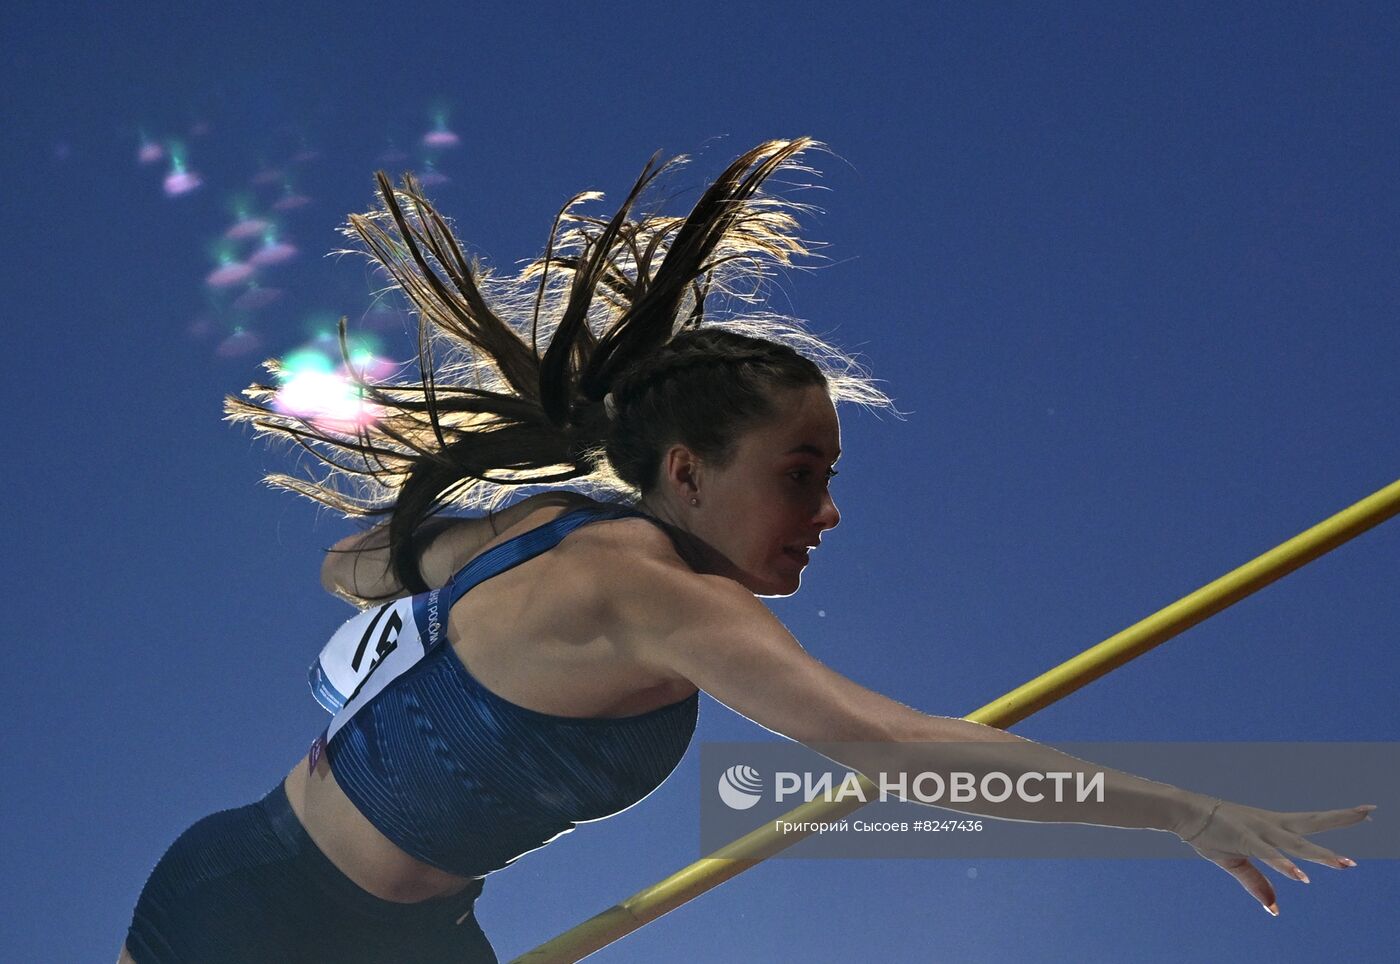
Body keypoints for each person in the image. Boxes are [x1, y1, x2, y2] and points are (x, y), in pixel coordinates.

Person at [121, 139, 1373, 963]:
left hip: (402, 924)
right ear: (686, 471)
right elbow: (899, 750)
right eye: (799, 477)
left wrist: (419, 553)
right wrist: (1183, 809)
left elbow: (350, 569)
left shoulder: (548, 530)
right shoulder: (654, 594)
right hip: (255, 919)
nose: (825, 514)